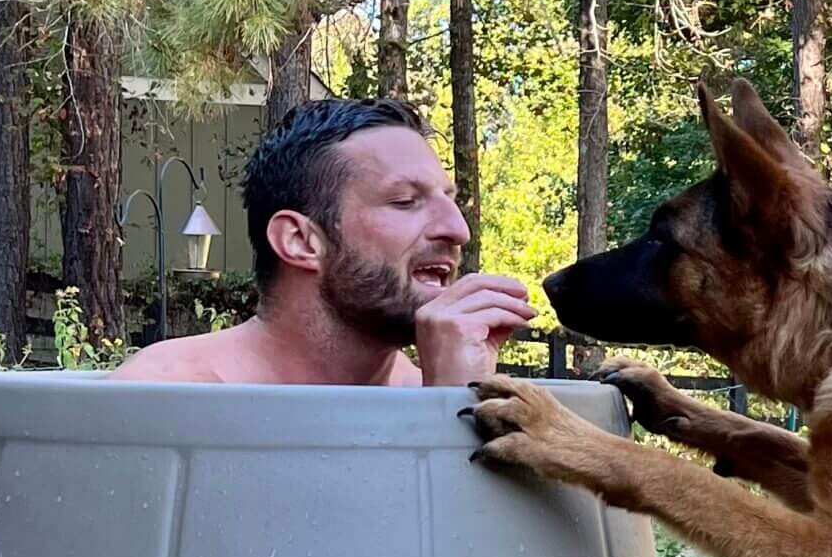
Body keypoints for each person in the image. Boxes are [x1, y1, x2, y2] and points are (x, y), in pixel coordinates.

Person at [111, 98, 533, 386]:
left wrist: (457, 404)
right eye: (405, 202)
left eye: (449, 200)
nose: (457, 229)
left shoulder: (441, 388)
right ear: (300, 241)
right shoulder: (171, 393)